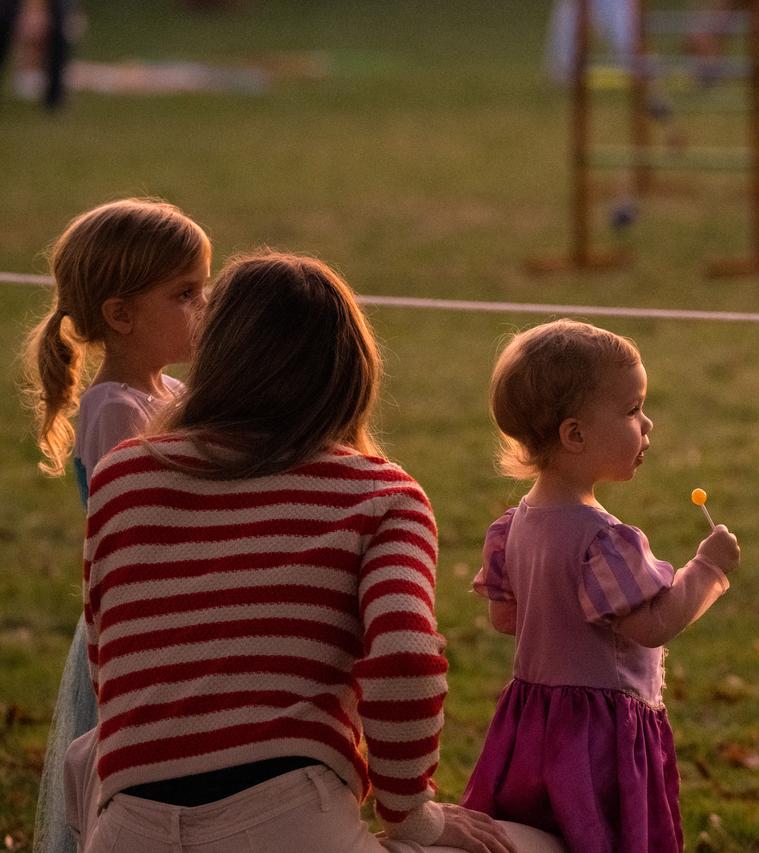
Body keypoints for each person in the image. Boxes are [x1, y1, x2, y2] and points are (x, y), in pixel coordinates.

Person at [69, 252, 517, 853]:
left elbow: (110, 661)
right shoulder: (381, 494)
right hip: (289, 815)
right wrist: (413, 816)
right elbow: (406, 657)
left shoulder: (122, 477)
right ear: (351, 370)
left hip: (127, 821)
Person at [461, 319, 741, 852]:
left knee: (541, 834)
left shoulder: (513, 527)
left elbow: (505, 617)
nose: (648, 424)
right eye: (633, 411)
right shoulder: (605, 541)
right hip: (598, 736)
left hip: (532, 722)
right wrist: (707, 569)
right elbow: (651, 626)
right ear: (575, 435)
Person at [21, 196, 212, 853]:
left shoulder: (174, 392)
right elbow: (142, 522)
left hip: (179, 597)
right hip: (137, 611)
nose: (205, 305)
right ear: (121, 315)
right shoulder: (114, 409)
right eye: (185, 292)